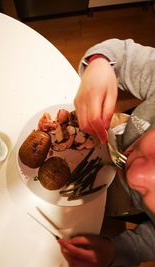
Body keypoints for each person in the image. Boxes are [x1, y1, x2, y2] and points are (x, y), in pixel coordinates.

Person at [57, 39, 155, 267]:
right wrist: (100, 63)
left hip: (125, 206)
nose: (134, 176)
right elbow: (122, 55)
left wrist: (119, 252)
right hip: (116, 133)